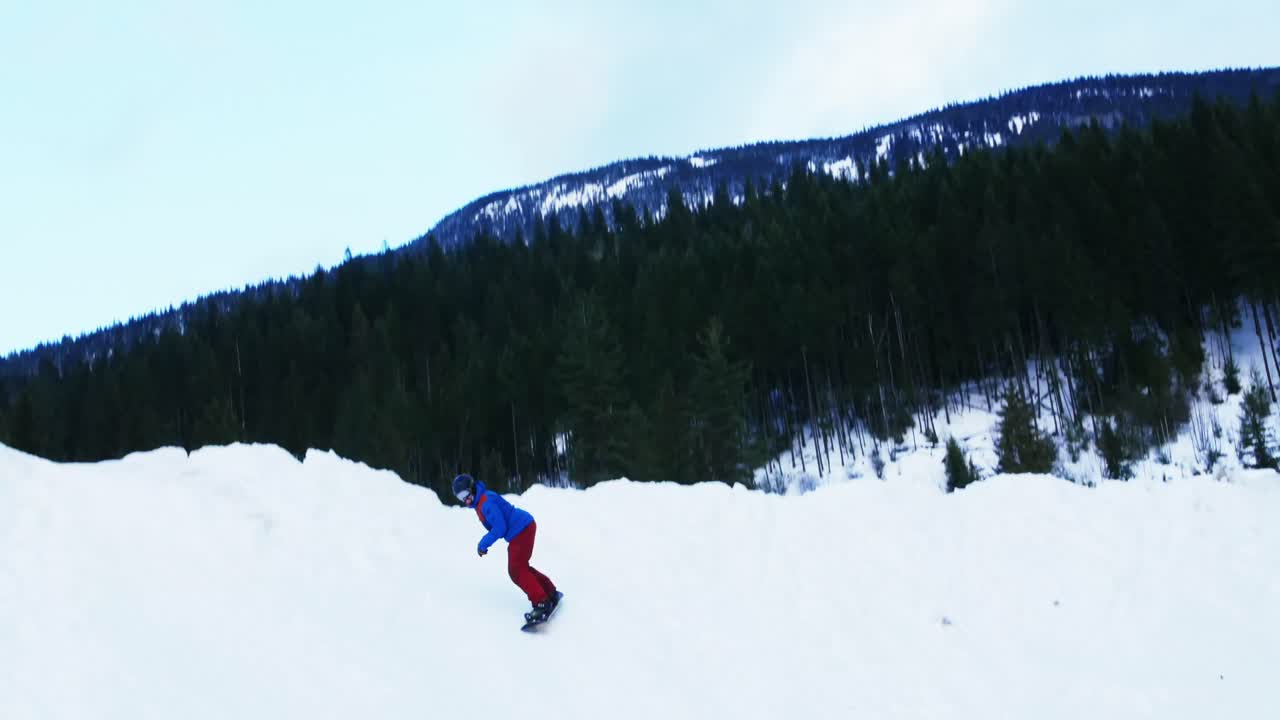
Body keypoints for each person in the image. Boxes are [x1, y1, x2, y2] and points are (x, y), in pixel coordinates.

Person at [452, 473, 561, 622]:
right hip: (523, 528)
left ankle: (542, 602)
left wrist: (483, 544)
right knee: (521, 567)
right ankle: (549, 592)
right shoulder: (480, 501)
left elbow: (500, 527)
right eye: (460, 497)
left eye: (465, 494)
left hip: (522, 529)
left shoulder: (485, 502)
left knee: (516, 570)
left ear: (472, 488)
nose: (465, 500)